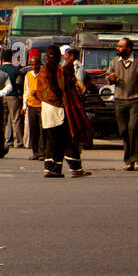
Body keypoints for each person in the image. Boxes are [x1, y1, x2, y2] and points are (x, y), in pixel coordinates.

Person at [34, 44, 91, 178]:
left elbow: (39, 92)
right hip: (62, 110)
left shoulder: (42, 72)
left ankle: (51, 168)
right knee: (69, 139)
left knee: (52, 141)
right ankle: (74, 168)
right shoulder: (61, 71)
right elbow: (72, 88)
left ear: (46, 57)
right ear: (59, 57)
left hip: (47, 110)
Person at [107, 35, 138, 171]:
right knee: (124, 130)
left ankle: (137, 159)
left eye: (120, 46)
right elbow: (108, 77)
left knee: (134, 127)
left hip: (136, 99)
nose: (118, 48)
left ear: (129, 48)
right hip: (120, 100)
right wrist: (111, 78)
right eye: (118, 46)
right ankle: (128, 160)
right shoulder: (115, 62)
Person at [22, 48, 45, 160]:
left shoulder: (44, 75)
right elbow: (26, 91)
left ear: (39, 64)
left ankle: (42, 152)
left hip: (42, 106)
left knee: (42, 130)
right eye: (32, 65)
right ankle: (35, 152)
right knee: (33, 130)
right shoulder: (28, 75)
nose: (34, 67)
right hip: (31, 105)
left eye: (36, 64)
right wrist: (24, 106)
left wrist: (39, 93)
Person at [0, 54, 23, 148]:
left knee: (3, 120)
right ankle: (19, 142)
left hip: (2, 96)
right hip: (13, 96)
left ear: (3, 58)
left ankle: (1, 140)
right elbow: (19, 82)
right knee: (16, 120)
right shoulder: (16, 70)